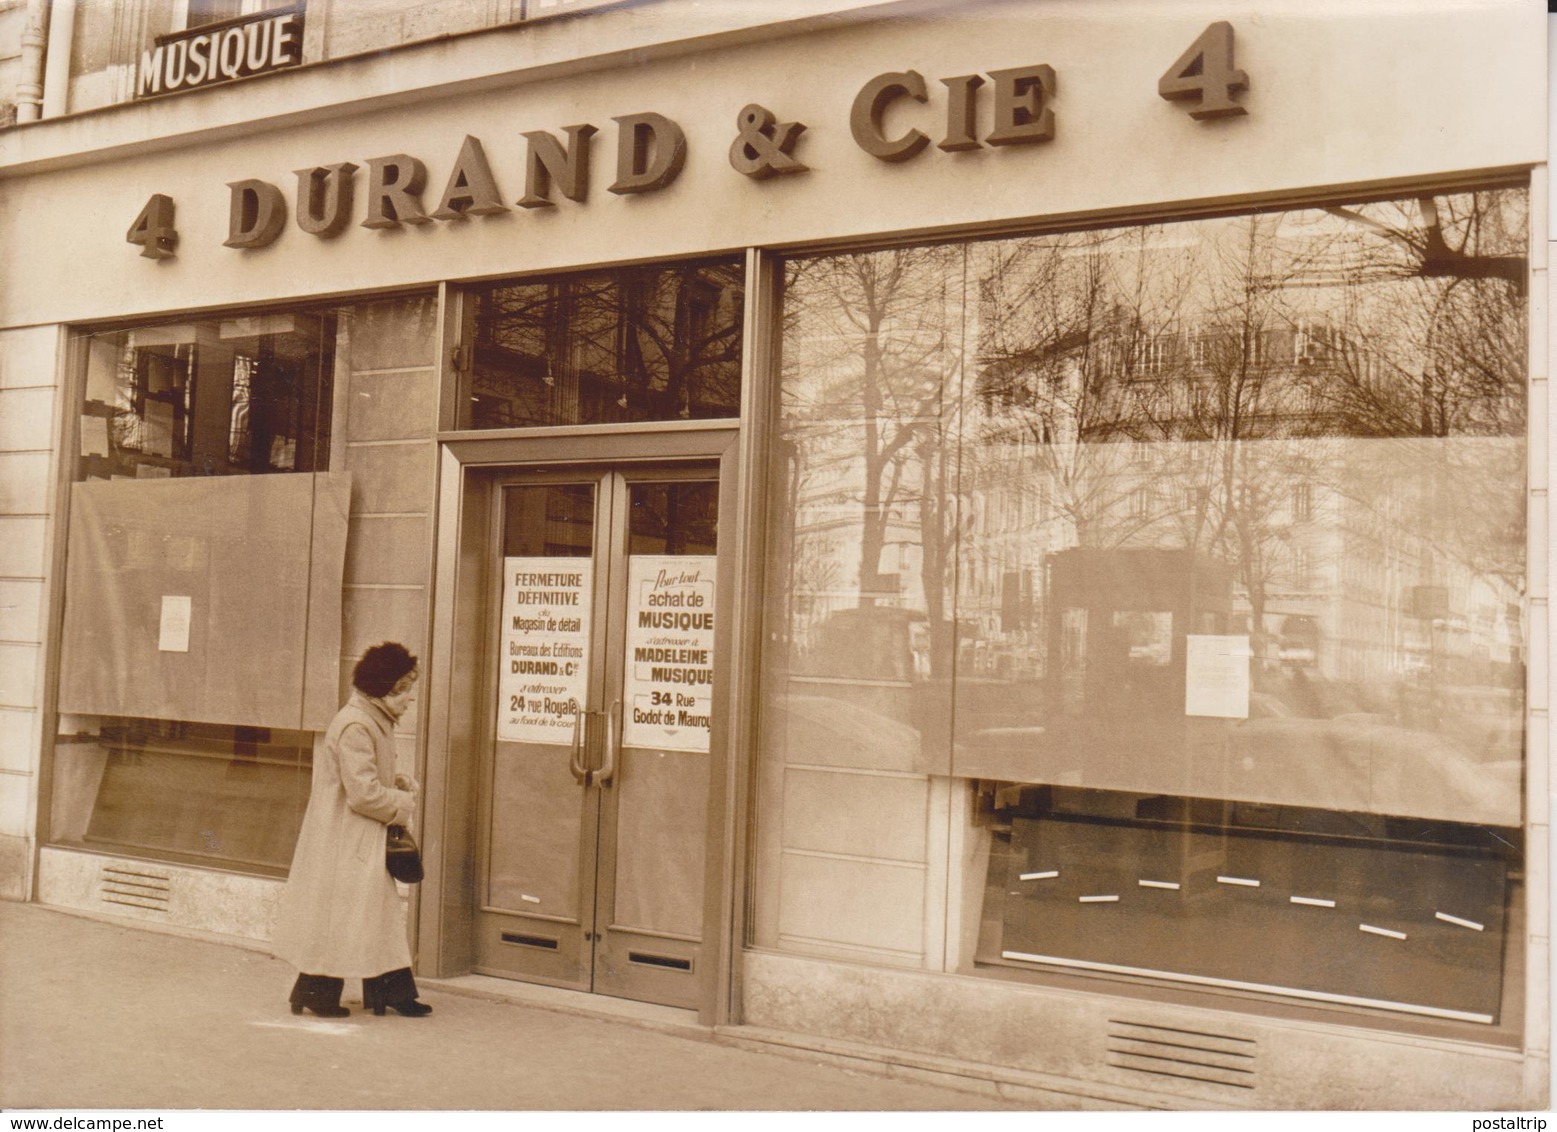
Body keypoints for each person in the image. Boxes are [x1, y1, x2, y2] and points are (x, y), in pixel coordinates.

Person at [271, 642, 433, 1018]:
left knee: (368, 915)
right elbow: (363, 795)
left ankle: (366, 992)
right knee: (350, 917)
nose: (410, 699)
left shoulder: (368, 719)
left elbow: (363, 780)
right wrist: (403, 802)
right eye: (405, 689)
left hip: (354, 837)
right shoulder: (357, 725)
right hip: (349, 838)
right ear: (385, 687)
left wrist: (397, 780)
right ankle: (327, 993)